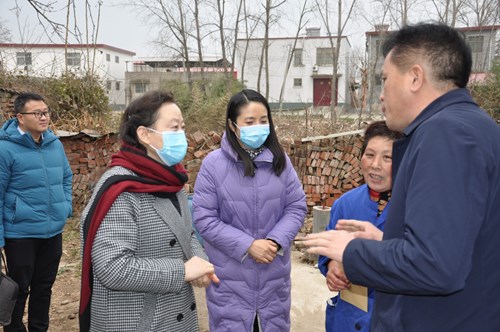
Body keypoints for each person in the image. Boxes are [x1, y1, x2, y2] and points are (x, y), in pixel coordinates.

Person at [301, 23, 500, 331]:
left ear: (415, 77)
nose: (380, 96)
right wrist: (383, 242)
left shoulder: (445, 134)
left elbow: (436, 267)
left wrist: (351, 250)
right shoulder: (476, 128)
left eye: (384, 80)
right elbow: (457, 247)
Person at [79, 90, 218, 332]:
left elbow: (186, 233)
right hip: (136, 321)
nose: (182, 136)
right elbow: (112, 267)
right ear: (144, 134)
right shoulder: (121, 189)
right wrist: (182, 271)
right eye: (174, 128)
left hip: (174, 315)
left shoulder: (169, 179)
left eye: (183, 127)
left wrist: (200, 263)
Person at [192, 89, 307, 332]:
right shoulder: (213, 165)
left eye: (263, 121)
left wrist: (275, 241)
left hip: (273, 281)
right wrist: (248, 245)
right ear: (233, 126)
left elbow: (296, 206)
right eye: (250, 122)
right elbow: (204, 218)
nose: (258, 127)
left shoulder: (281, 162)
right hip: (230, 284)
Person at [318, 121, 402, 331]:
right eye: (370, 154)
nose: (375, 165)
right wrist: (332, 268)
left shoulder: (414, 207)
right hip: (348, 317)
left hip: (394, 317)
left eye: (387, 157)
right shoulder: (345, 204)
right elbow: (328, 252)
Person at [0, 92, 73, 332]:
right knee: (19, 288)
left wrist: (66, 206)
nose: (44, 117)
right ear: (20, 117)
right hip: (20, 233)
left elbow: (66, 177)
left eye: (46, 112)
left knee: (44, 287)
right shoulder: (5, 149)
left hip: (52, 231)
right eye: (37, 113)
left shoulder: (54, 143)